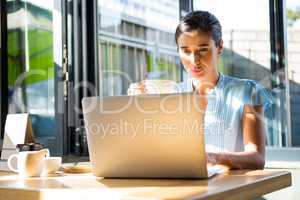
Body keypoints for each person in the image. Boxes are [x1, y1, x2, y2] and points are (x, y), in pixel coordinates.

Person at [128, 11, 274, 169]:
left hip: (230, 188)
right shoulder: (170, 94)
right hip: (181, 186)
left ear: (219, 47)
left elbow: (256, 158)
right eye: (186, 51)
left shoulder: (247, 91)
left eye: (203, 49)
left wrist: (207, 157)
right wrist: (139, 103)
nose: (194, 60)